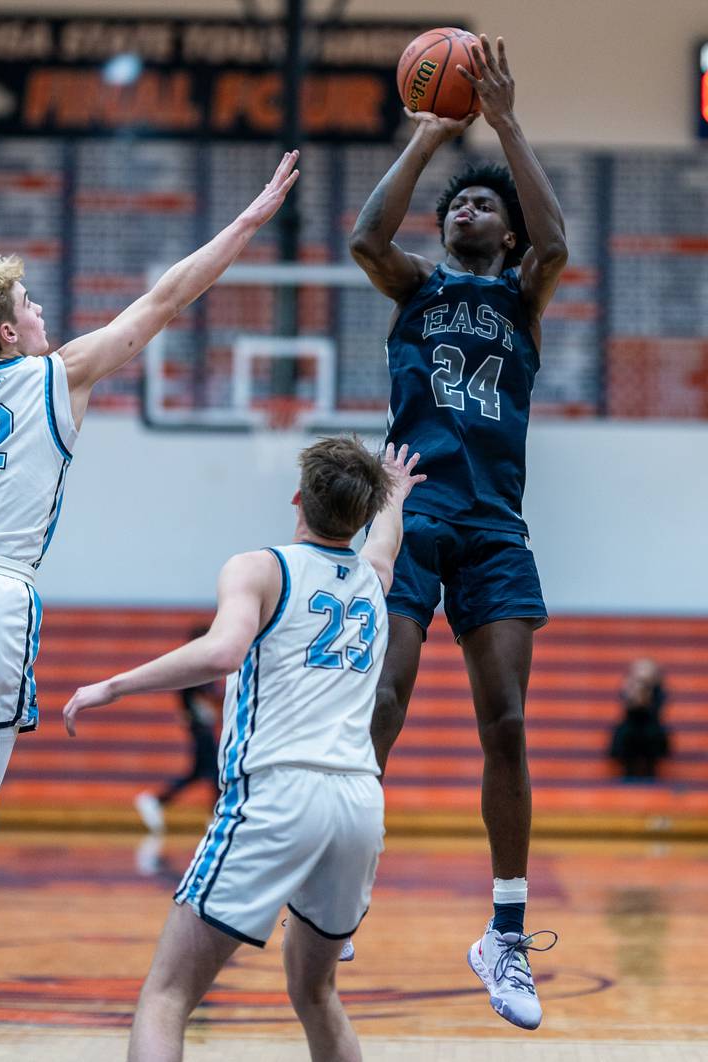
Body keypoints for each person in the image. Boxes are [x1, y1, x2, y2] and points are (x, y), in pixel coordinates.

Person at [0, 150, 300, 1061]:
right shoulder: (63, 375)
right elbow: (166, 299)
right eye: (30, 306)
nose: (44, 313)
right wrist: (245, 223)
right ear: (8, 335)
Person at [62, 438, 425, 1062]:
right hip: (360, 803)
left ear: (296, 497)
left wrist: (112, 684)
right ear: (362, 515)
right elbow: (386, 542)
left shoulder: (259, 567)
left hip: (278, 792)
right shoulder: (372, 578)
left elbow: (223, 652)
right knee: (316, 991)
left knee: (167, 994)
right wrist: (393, 491)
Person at [349, 34, 567, 1030]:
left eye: (483, 202)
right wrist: (431, 136)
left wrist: (506, 124)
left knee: (507, 723)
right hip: (411, 506)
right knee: (383, 697)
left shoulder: (522, 296)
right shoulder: (417, 288)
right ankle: (340, 875)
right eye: (455, 204)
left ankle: (505, 936)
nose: (465, 208)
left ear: (504, 230)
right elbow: (363, 235)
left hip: (491, 523)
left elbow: (556, 244)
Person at [135, 638, 221, 835]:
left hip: (201, 727)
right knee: (213, 771)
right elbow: (206, 697)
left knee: (201, 772)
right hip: (201, 729)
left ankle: (157, 801)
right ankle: (214, 816)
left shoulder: (197, 666)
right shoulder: (199, 666)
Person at [610, 659, 670, 780]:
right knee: (625, 734)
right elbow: (628, 711)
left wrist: (646, 698)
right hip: (632, 729)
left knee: (653, 734)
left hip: (650, 729)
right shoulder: (629, 687)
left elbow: (655, 712)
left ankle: (650, 770)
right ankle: (628, 770)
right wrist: (634, 695)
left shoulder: (658, 691)